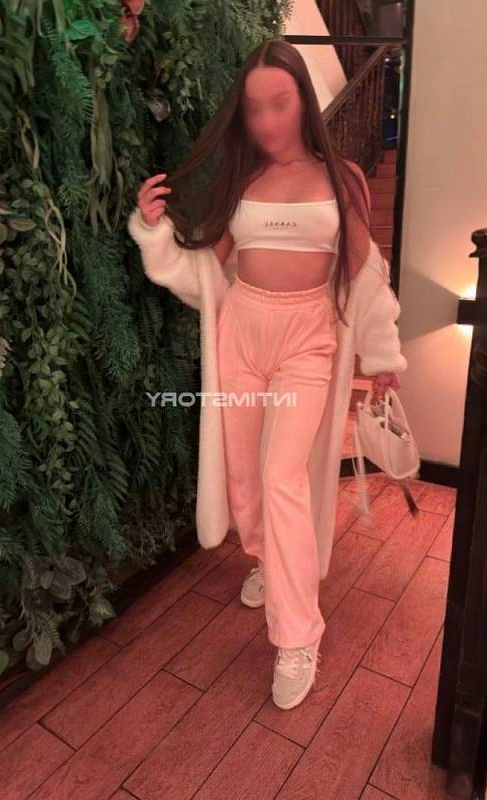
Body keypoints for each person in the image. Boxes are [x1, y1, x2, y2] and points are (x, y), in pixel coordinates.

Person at [127, 39, 406, 710]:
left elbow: (364, 271)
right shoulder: (243, 179)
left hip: (306, 339)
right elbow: (206, 274)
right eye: (253, 109)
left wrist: (381, 354)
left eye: (278, 104)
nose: (266, 122)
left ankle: (297, 634)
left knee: (283, 476)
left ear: (302, 100)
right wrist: (153, 232)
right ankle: (267, 560)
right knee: (246, 476)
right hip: (242, 332)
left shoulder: (343, 177)